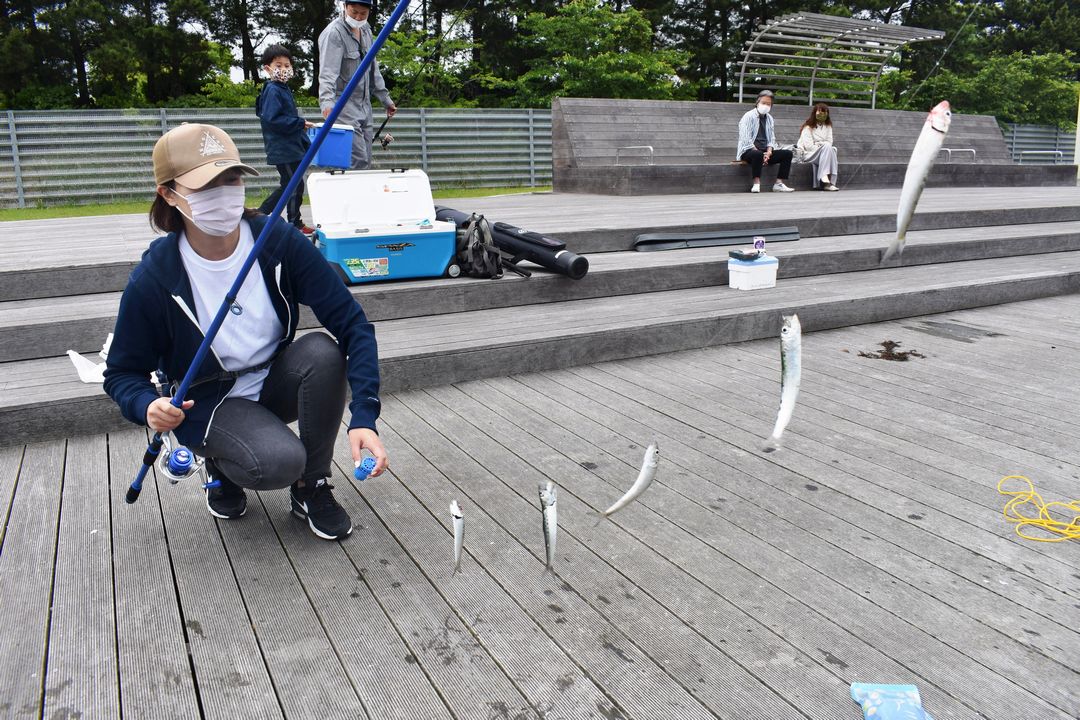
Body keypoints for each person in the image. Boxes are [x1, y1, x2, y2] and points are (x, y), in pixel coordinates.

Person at [103, 123, 389, 541]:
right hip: (209, 399)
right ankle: (220, 462)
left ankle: (312, 486)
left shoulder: (279, 242)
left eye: (231, 178)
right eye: (206, 184)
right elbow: (121, 375)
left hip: (273, 379)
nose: (224, 192)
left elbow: (353, 325)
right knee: (277, 461)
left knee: (323, 352)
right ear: (169, 194)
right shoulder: (154, 278)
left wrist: (364, 415)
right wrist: (147, 405)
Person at [318, 0, 397, 170]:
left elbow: (373, 69)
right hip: (343, 104)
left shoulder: (366, 30)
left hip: (364, 104)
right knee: (358, 159)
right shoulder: (334, 33)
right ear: (345, 7)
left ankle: (359, 195)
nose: (358, 17)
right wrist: (327, 104)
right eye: (354, 12)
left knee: (366, 158)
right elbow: (327, 74)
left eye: (363, 13)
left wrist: (386, 99)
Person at [256, 44, 316, 233]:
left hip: (290, 146)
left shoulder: (282, 88)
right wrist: (300, 123)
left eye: (287, 65)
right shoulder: (273, 90)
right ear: (267, 68)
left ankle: (264, 215)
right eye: (278, 65)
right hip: (283, 148)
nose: (283, 69)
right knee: (293, 184)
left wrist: (300, 127)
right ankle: (292, 223)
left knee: (292, 184)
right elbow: (273, 119)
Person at [735, 89, 795, 193]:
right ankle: (756, 183)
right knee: (757, 154)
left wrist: (769, 151)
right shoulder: (748, 116)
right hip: (749, 151)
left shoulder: (770, 118)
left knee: (787, 154)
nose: (766, 106)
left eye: (769, 104)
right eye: (763, 103)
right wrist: (760, 153)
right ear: (757, 102)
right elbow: (745, 139)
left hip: (764, 151)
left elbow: (771, 138)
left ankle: (778, 184)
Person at [796, 103, 839, 191]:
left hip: (823, 154)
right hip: (809, 155)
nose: (822, 115)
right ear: (814, 113)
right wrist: (822, 145)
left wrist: (819, 144)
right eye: (820, 112)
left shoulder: (828, 127)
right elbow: (809, 147)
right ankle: (828, 182)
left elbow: (830, 141)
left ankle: (825, 180)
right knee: (828, 148)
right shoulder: (807, 127)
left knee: (831, 149)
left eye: (824, 112)